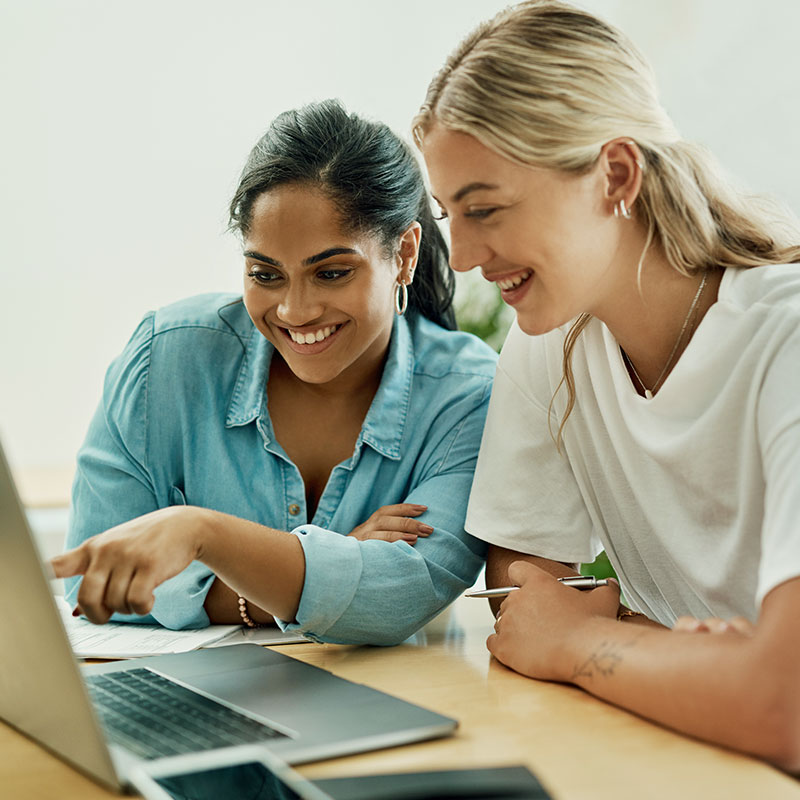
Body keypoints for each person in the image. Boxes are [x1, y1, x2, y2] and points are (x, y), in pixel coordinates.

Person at [413, 0, 800, 771]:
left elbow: (781, 705)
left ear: (616, 174)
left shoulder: (785, 342)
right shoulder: (552, 339)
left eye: (484, 208)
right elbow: (526, 611)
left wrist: (592, 638)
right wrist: (678, 660)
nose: (459, 258)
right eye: (450, 215)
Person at [52, 99, 497, 646]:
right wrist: (330, 565)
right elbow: (92, 586)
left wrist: (201, 535)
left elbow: (400, 596)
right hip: (191, 707)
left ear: (403, 253)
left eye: (331, 272)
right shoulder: (163, 359)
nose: (294, 311)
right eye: (265, 274)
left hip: (384, 702)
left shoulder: (468, 396)